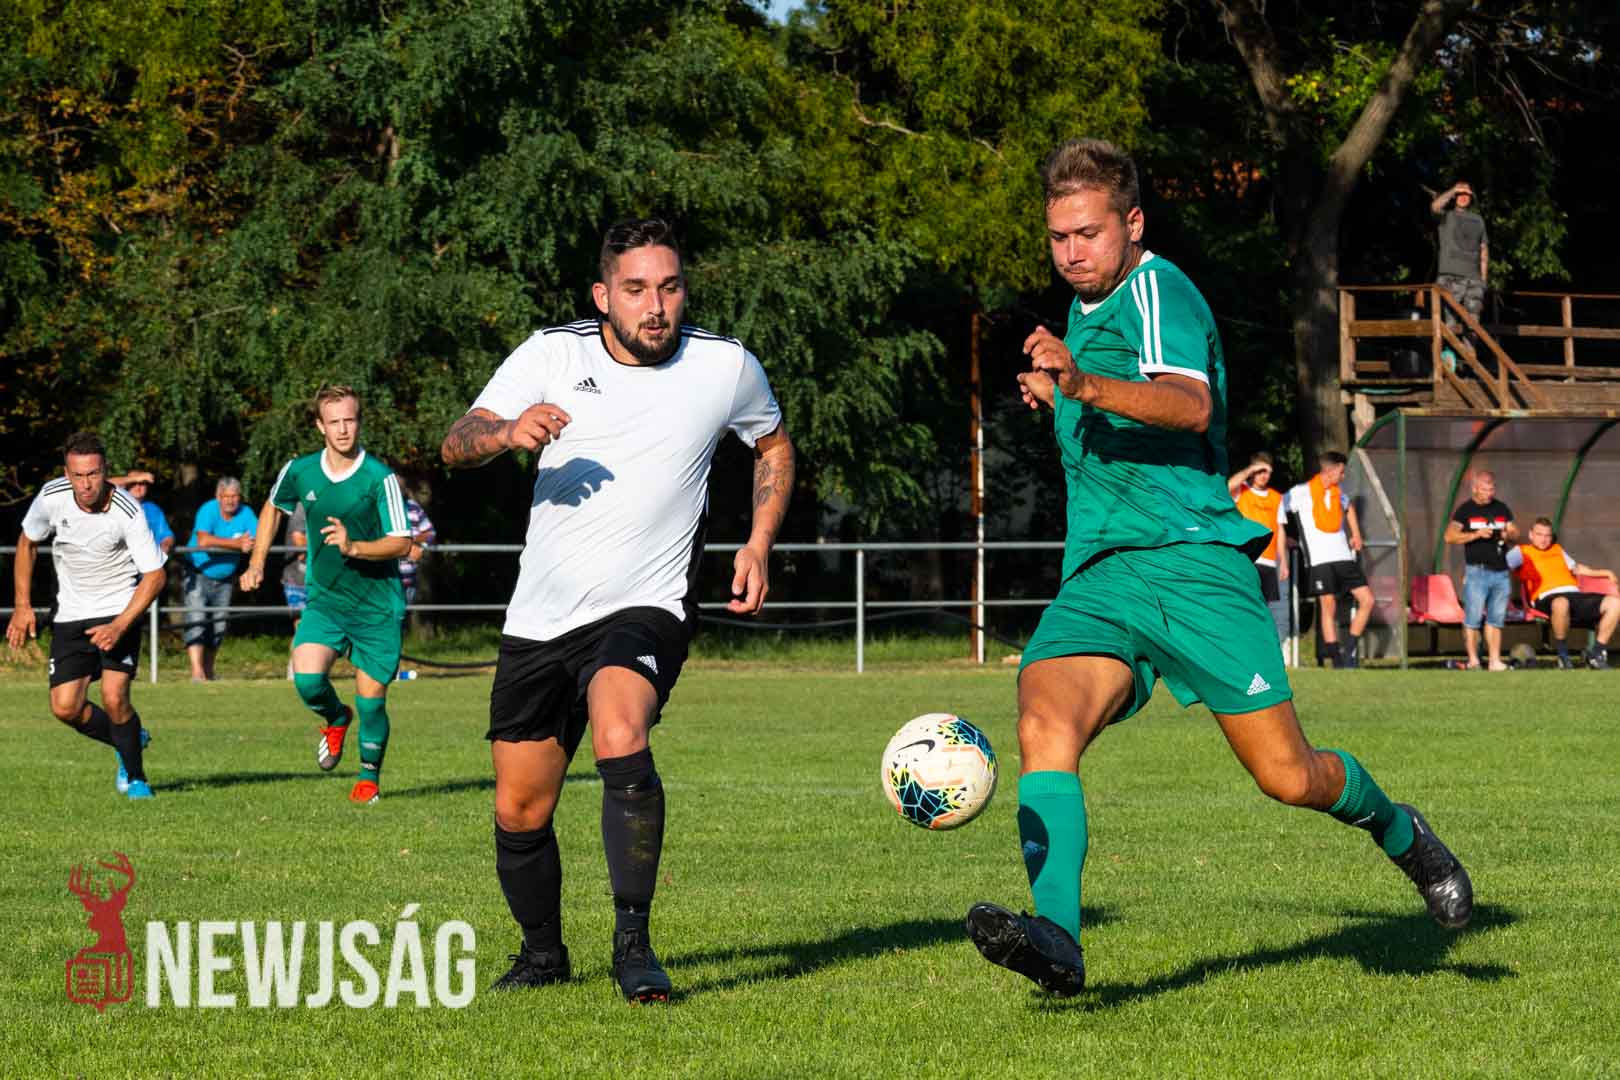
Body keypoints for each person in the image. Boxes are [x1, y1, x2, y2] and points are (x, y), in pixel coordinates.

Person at [963, 139, 1471, 998]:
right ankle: (1057, 938)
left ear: (1133, 223)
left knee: (1289, 776)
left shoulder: (1157, 289)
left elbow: (1191, 405)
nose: (1071, 252)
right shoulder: (1084, 311)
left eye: (1088, 233)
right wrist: (1061, 397)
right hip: (1102, 575)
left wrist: (1081, 386)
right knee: (1044, 722)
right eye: (1058, 237)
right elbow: (1118, 420)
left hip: (1194, 566)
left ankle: (1400, 830)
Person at [440, 217, 795, 1002]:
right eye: (636, 290)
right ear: (603, 295)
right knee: (520, 806)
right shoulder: (552, 354)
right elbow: (455, 441)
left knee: (620, 729)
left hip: (647, 603)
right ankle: (543, 955)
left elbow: (772, 444)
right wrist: (506, 432)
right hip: (541, 617)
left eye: (669, 287)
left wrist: (758, 540)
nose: (655, 306)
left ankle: (634, 947)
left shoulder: (725, 366)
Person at [239, 385, 413, 804]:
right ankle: (336, 718)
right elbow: (273, 507)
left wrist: (355, 547)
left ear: (359, 422)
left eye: (349, 420)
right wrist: (257, 562)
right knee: (307, 679)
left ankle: (368, 779)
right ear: (320, 426)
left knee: (372, 701)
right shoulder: (300, 470)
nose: (343, 429)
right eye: (334, 422)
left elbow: (402, 542)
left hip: (376, 605)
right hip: (326, 601)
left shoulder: (380, 478)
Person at [7, 432, 166, 800]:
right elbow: (27, 542)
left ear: (105, 471)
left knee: (114, 697)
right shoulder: (52, 497)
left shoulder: (128, 510)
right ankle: (130, 738)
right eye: (78, 475)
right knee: (65, 707)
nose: (86, 484)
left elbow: (155, 576)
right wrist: (22, 605)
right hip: (71, 613)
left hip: (119, 609)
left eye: (93, 474)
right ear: (67, 473)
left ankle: (137, 779)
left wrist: (120, 625)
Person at [1280, 452, 1375, 668]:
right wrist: (1285, 538)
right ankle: (1337, 659)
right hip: (1319, 560)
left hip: (1344, 558)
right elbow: (1277, 511)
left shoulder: (1338, 493)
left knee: (1367, 600)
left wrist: (1356, 533)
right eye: (1341, 472)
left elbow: (1348, 508)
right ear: (1330, 470)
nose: (1343, 476)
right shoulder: (1300, 492)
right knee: (1328, 605)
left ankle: (1349, 650)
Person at [1506, 518, 1618, 670]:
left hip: (1573, 594)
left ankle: (1596, 654)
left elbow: (1577, 569)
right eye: (1539, 535)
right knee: (1561, 602)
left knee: (1614, 603)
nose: (1543, 539)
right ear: (1531, 535)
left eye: (1547, 535)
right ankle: (1563, 656)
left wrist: (1605, 572)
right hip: (1545, 596)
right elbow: (1500, 565)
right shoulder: (1521, 551)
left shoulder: (1557, 549)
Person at [183, 476, 258, 681]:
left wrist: (245, 544)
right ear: (218, 497)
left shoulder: (246, 513)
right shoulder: (208, 510)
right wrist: (236, 544)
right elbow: (204, 540)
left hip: (225, 578)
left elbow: (256, 537)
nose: (231, 501)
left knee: (219, 625)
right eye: (226, 496)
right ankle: (197, 672)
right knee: (196, 620)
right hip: (198, 571)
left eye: (235, 496)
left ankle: (209, 670)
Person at [1442, 470, 1518, 671]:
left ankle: (1494, 661)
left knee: (1496, 619)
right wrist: (1476, 534)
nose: (1489, 493)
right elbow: (1449, 537)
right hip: (1477, 572)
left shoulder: (1501, 508)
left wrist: (1509, 534)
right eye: (1485, 489)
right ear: (1475, 488)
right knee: (1473, 618)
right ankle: (1473, 660)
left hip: (1501, 572)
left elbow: (1515, 532)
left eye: (1492, 489)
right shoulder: (1465, 510)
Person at [1227, 452, 1289, 651]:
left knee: (1264, 608)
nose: (1264, 476)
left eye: (1267, 472)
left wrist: (1283, 561)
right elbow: (1228, 486)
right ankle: (1240, 645)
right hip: (1248, 558)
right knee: (1245, 603)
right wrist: (1251, 469)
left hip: (1269, 561)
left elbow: (1280, 530)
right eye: (1260, 471)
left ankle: (1260, 648)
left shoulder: (1276, 497)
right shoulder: (1242, 491)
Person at [1430, 180, 1488, 349]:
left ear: (1472, 198)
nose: (1463, 197)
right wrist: (1453, 189)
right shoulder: (1446, 216)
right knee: (1450, 323)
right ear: (1455, 196)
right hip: (1450, 277)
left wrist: (1483, 280)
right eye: (1460, 194)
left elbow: (1484, 250)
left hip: (1474, 279)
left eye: (1467, 194)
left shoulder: (1478, 220)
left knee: (1473, 324)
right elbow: (1435, 206)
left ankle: (1470, 358)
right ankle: (1448, 360)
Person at [111, 470, 175, 555]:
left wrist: (165, 546)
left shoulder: (153, 509)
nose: (138, 487)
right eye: (133, 483)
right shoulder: (114, 505)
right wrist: (135, 478)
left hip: (148, 559)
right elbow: (104, 485)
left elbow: (166, 535)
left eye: (142, 483)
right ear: (125, 485)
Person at [281, 501, 308, 680]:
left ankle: (307, 668)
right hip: (297, 578)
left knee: (315, 627)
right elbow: (299, 540)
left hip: (319, 578)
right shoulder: (301, 507)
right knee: (302, 626)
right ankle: (295, 669)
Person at [397, 492, 436, 608]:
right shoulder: (377, 507)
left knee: (403, 614)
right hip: (385, 582)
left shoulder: (412, 506)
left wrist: (419, 546)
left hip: (409, 579)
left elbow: (430, 533)